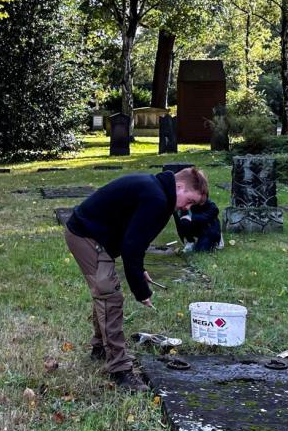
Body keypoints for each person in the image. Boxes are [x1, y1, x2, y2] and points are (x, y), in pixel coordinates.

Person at [64, 166, 210, 391]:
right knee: (109, 296)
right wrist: (141, 291)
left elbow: (135, 239)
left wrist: (139, 269)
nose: (186, 208)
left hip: (94, 236)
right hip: (85, 235)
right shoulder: (157, 198)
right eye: (189, 201)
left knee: (106, 292)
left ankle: (100, 348)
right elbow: (131, 247)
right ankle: (120, 369)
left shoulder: (157, 192)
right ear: (179, 187)